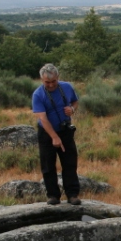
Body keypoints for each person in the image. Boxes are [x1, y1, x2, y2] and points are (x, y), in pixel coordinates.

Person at [32, 63, 81, 205]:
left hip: (65, 130)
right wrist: (54, 137)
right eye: (47, 82)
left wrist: (72, 109)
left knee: (70, 163)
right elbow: (43, 118)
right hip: (47, 133)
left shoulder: (67, 87)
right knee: (48, 165)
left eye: (54, 81)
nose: (51, 85)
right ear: (42, 80)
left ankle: (72, 194)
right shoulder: (38, 94)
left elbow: (75, 101)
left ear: (58, 77)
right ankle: (53, 195)